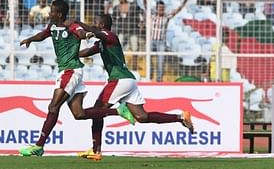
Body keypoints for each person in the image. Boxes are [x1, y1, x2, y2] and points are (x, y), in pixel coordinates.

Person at [18, 0, 131, 157]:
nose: (49, 14)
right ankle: (118, 111)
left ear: (59, 14)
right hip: (66, 72)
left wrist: (87, 34)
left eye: (51, 11)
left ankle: (39, 146)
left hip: (71, 71)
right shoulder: (52, 26)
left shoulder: (71, 26)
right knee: (79, 114)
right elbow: (43, 35)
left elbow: (80, 33)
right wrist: (30, 39)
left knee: (53, 107)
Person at [76, 14, 195, 160]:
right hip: (128, 81)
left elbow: (96, 32)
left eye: (96, 22)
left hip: (119, 80)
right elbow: (85, 53)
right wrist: (69, 55)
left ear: (102, 25)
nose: (94, 25)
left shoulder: (109, 35)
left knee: (97, 111)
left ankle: (96, 150)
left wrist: (78, 23)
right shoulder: (102, 42)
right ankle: (180, 117)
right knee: (142, 117)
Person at [151, 0, 189, 82]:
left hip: (161, 42)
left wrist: (184, 2)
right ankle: (150, 73)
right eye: (159, 8)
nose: (161, 9)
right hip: (151, 41)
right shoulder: (152, 16)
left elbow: (176, 11)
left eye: (162, 8)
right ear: (156, 8)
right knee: (147, 56)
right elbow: (145, 6)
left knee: (161, 61)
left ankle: (159, 80)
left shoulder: (166, 17)